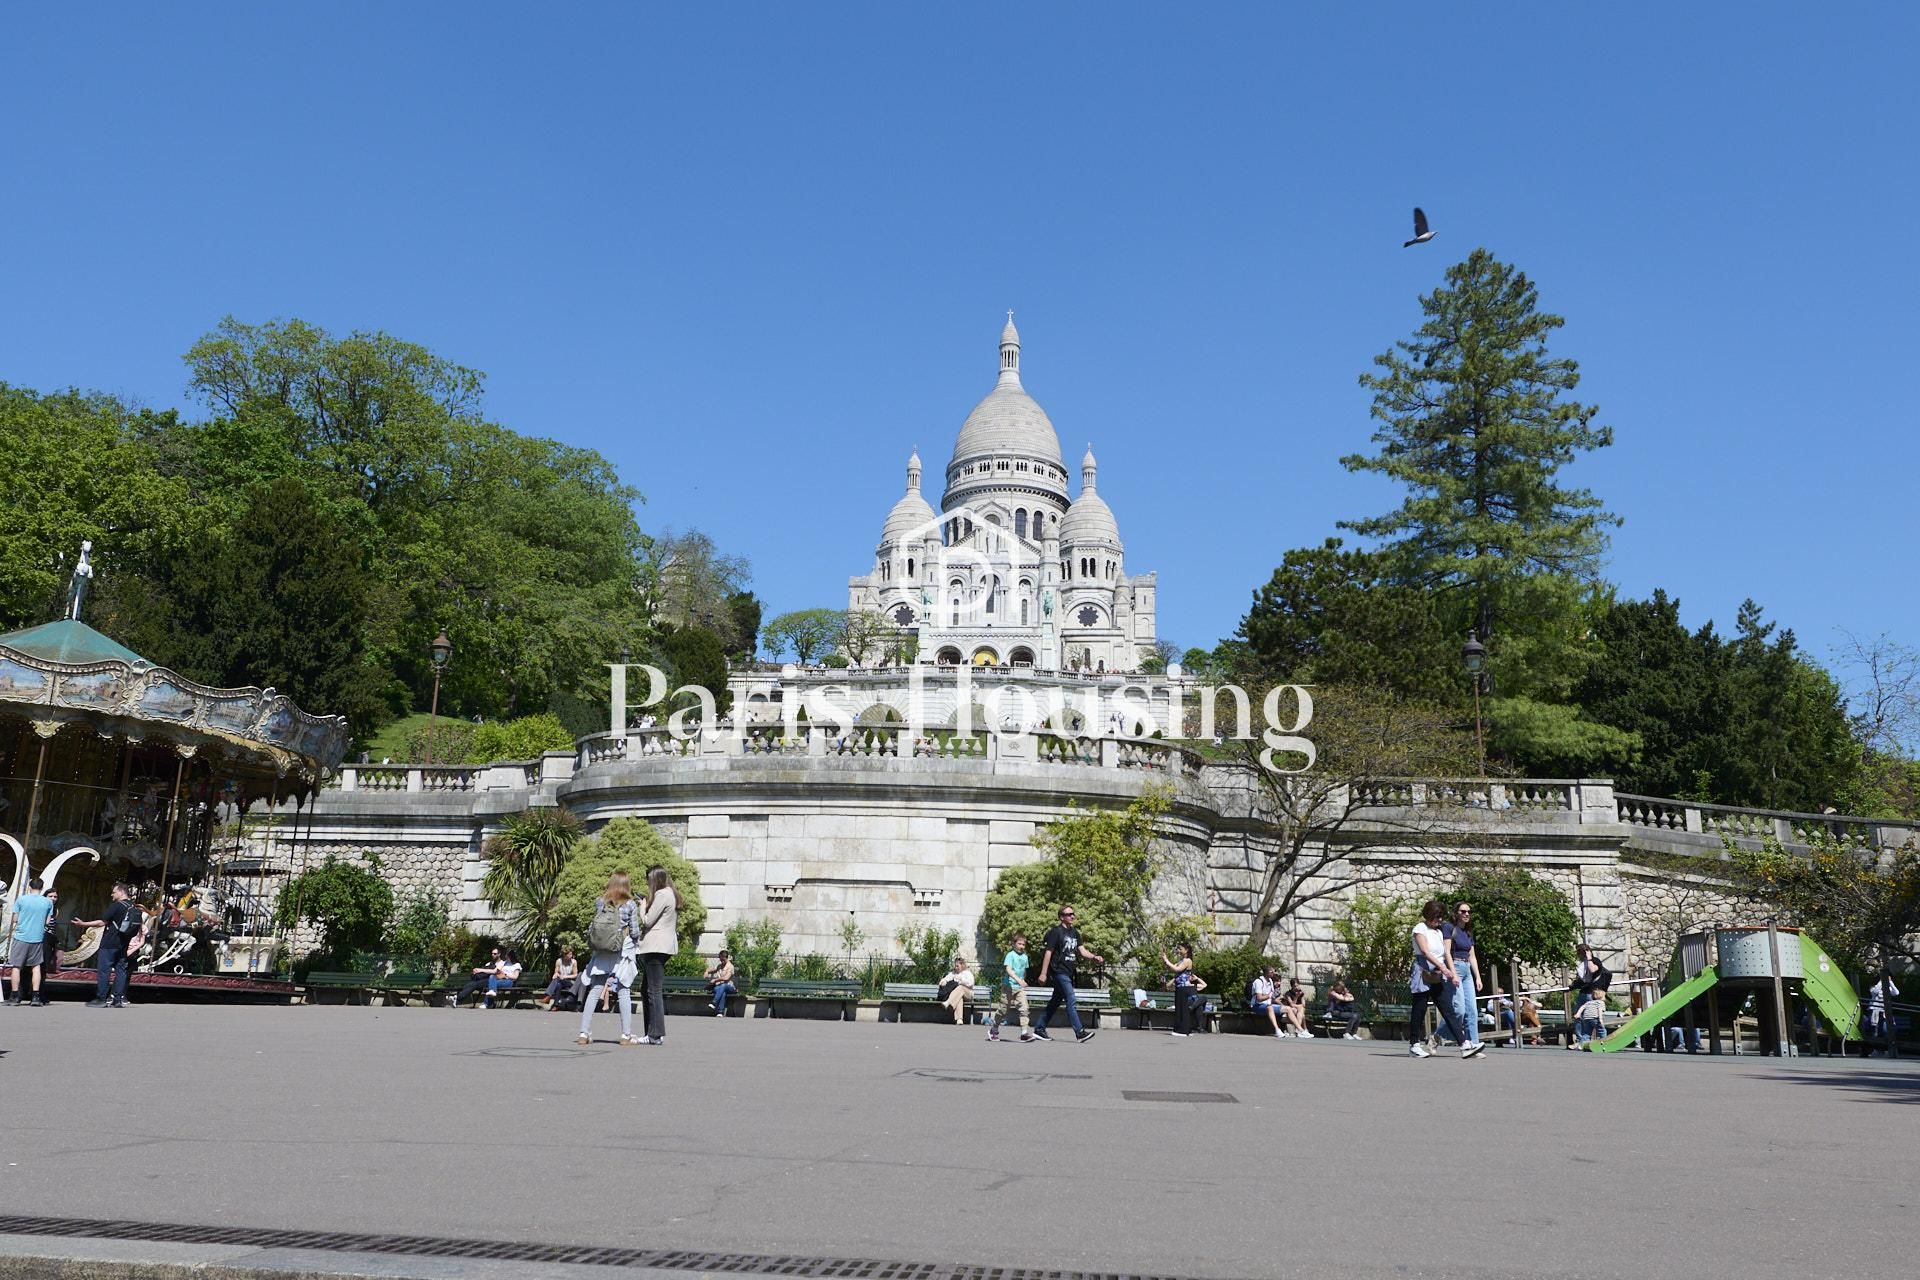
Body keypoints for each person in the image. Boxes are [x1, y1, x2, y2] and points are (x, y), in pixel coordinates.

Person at [1409, 899, 1483, 1060]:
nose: (1439, 920)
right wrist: (1445, 969)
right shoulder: (1420, 928)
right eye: (1436, 917)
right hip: (1423, 971)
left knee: (1448, 1010)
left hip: (1437, 973)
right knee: (1419, 1008)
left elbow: (1444, 953)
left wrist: (1448, 971)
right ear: (1429, 915)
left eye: (1441, 917)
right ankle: (1414, 1045)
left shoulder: (1438, 932)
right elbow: (1425, 952)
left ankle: (1464, 1045)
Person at [577, 872, 641, 1046]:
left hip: (602, 951)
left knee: (595, 989)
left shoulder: (600, 902)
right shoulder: (630, 905)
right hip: (622, 951)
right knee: (623, 990)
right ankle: (625, 1035)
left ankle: (584, 1032)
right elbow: (635, 932)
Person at [1032, 904, 1104, 1043]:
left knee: (1055, 1002)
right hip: (1058, 971)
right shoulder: (1055, 932)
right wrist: (1043, 973)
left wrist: (1094, 957)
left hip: (1068, 972)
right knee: (1071, 1000)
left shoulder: (1075, 933)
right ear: (1061, 917)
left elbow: (1082, 951)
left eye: (1073, 914)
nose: (1072, 916)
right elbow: (1048, 952)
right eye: (1068, 914)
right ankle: (1080, 1032)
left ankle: (1039, 1029)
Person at [72, 882, 140, 1008]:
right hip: (123, 943)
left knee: (104, 970)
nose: (112, 895)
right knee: (121, 970)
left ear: (121, 892)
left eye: (114, 892)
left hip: (110, 942)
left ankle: (101, 998)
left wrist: (83, 924)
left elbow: (102, 922)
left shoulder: (117, 906)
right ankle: (118, 998)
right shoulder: (133, 907)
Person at [636, 864, 679, 1044]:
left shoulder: (662, 895)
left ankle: (654, 1034)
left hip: (656, 945)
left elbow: (647, 920)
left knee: (653, 990)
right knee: (647, 989)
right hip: (663, 945)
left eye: (649, 880)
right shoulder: (671, 893)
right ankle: (651, 1032)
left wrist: (642, 906)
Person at [1442, 902, 1484, 1051]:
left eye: (1469, 912)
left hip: (1467, 970)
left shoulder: (1467, 932)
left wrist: (1478, 977)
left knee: (1472, 1010)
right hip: (1455, 967)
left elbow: (1472, 957)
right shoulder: (1449, 928)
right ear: (1456, 913)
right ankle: (1437, 1036)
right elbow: (1446, 951)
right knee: (1459, 1009)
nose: (1466, 914)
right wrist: (1452, 972)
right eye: (1463, 911)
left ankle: (1473, 1042)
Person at [6, 876, 55, 1006]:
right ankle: (35, 996)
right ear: (41, 888)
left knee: (17, 966)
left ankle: (15, 995)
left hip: (21, 936)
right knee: (36, 966)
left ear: (30, 887)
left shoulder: (21, 899)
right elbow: (47, 921)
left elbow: (15, 919)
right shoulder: (48, 902)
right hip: (37, 937)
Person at [988, 932, 1035, 1043]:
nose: (1022, 946)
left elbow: (1023, 971)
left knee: (1024, 1009)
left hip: (1019, 988)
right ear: (1013, 944)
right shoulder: (1010, 955)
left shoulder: (1025, 957)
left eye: (1023, 944)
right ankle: (994, 1029)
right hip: (1008, 987)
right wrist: (1018, 980)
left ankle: (1024, 1033)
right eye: (1019, 944)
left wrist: (1022, 980)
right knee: (1003, 1010)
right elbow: (1008, 970)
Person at [453, 947, 520, 1007]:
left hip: (508, 981)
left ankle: (487, 1003)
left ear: (511, 956)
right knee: (485, 980)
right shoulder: (504, 963)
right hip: (498, 979)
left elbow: (515, 977)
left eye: (507, 956)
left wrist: (505, 974)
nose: (505, 957)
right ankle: (489, 1003)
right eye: (506, 955)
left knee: (491, 984)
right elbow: (495, 971)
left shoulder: (517, 965)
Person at [1160, 941, 1201, 1037]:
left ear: (1186, 950)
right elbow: (1173, 967)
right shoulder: (1181, 960)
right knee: (1180, 1009)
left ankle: (1182, 1031)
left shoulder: (1187, 961)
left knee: (1182, 1010)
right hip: (1180, 988)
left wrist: (1167, 960)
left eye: (1180, 949)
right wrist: (1165, 960)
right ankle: (1186, 1030)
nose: (1178, 950)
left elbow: (1177, 969)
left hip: (1184, 987)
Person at [1866, 973, 1901, 1058]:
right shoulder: (1874, 986)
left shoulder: (1888, 987)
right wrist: (1881, 981)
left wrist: (1890, 982)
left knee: (1886, 1030)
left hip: (1885, 1012)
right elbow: (1874, 992)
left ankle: (1886, 1049)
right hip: (1875, 1010)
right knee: (1875, 1030)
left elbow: (1896, 993)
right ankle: (1876, 1050)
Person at [1249, 967, 1287, 1039]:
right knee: (1270, 1008)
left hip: (1268, 1005)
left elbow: (1271, 995)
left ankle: (1301, 1031)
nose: (1273, 973)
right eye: (1272, 972)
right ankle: (1277, 1030)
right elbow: (1259, 998)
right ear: (1266, 973)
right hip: (1257, 1006)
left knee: (1288, 1009)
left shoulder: (1270, 981)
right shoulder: (1258, 981)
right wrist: (1268, 996)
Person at [939, 956, 976, 1026]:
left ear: (962, 965)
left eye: (957, 966)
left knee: (961, 987)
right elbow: (945, 979)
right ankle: (959, 1019)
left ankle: (948, 1002)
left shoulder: (967, 973)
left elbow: (971, 983)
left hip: (968, 994)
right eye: (955, 966)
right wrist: (943, 981)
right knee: (959, 998)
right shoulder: (953, 974)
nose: (956, 967)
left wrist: (961, 981)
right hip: (958, 995)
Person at [541, 946, 579, 1011]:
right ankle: (556, 1006)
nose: (571, 955)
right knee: (558, 985)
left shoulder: (574, 962)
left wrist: (565, 976)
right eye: (569, 954)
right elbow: (556, 973)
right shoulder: (559, 961)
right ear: (565, 955)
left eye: (571, 954)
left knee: (558, 980)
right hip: (560, 981)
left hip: (570, 982)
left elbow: (575, 975)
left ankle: (548, 996)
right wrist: (556, 975)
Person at [706, 949, 737, 1017]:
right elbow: (714, 970)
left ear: (726, 958)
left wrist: (715, 980)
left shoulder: (730, 967)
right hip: (720, 988)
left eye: (723, 959)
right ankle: (720, 1012)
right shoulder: (720, 966)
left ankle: (714, 1002)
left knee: (723, 986)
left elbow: (726, 978)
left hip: (730, 988)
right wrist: (707, 971)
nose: (721, 961)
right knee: (722, 992)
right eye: (720, 959)